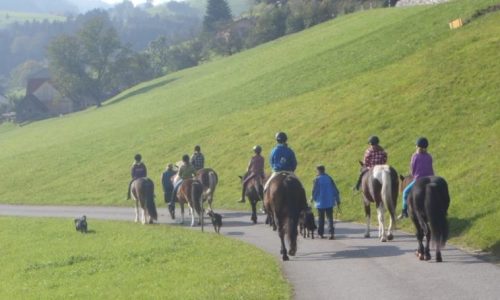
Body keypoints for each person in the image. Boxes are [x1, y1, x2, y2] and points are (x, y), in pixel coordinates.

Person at [398, 137, 434, 219]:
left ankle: (404, 212)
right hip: (430, 179)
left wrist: (413, 175)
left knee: (405, 193)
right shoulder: (429, 156)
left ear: (418, 146)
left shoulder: (415, 156)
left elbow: (412, 169)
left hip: (419, 179)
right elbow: (431, 168)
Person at [312, 165, 340, 240]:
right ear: (324, 170)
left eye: (316, 171)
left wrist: (313, 199)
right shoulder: (329, 178)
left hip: (320, 202)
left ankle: (320, 234)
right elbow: (335, 190)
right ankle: (331, 233)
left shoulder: (316, 179)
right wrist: (337, 199)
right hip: (329, 202)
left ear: (318, 171)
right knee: (330, 218)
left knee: (321, 219)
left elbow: (315, 191)